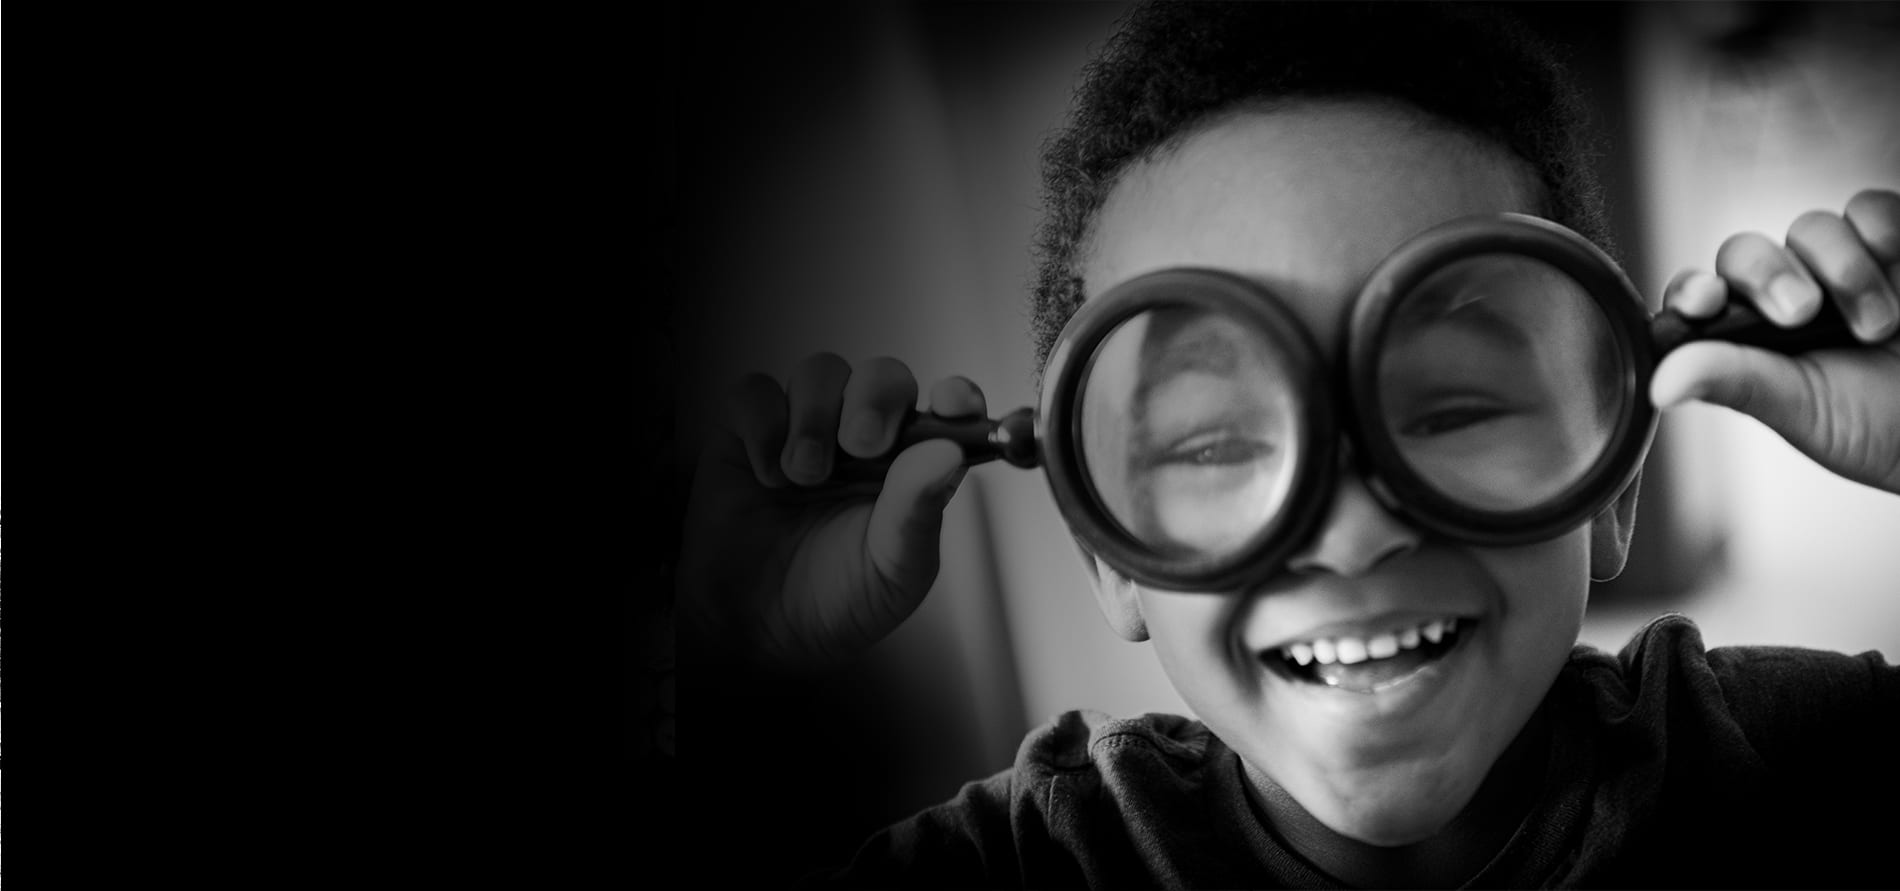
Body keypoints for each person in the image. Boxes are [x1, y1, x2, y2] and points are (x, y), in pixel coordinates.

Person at [674, 2, 1900, 887]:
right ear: (1109, 551)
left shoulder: (1799, 767)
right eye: (1211, 444)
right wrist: (722, 685)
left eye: (1454, 408)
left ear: (1612, 477)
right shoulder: (1030, 870)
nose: (1355, 524)